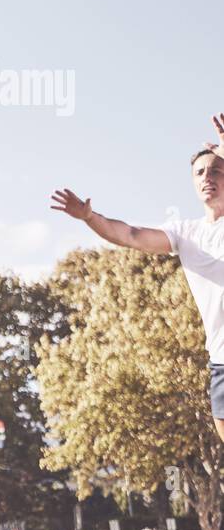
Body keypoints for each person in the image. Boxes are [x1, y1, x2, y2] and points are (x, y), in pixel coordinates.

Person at [52, 112, 224, 449]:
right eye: (200, 172)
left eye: (216, 170)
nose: (208, 177)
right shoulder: (186, 233)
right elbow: (129, 234)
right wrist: (89, 217)